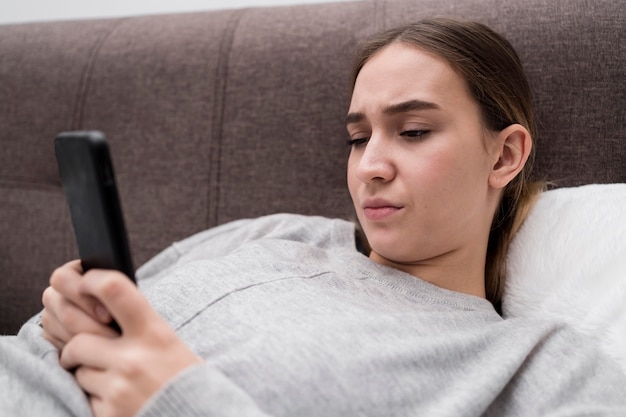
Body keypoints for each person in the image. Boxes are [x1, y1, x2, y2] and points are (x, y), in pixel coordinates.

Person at [1, 18, 625, 417]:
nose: (369, 167)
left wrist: (181, 403)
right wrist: (64, 316)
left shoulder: (534, 364)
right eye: (358, 138)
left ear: (505, 154)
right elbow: (67, 330)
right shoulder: (272, 234)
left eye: (412, 131)